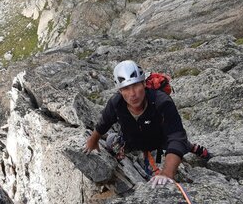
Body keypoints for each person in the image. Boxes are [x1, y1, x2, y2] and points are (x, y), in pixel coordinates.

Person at [84, 60, 210, 188]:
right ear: (120, 91)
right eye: (126, 88)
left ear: (144, 83)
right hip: (132, 140)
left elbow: (176, 135)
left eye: (136, 85)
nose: (133, 94)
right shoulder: (116, 103)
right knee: (111, 141)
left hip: (159, 140)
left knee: (178, 143)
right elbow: (104, 122)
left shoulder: (161, 101)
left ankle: (190, 146)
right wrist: (93, 140)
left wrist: (166, 173)